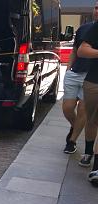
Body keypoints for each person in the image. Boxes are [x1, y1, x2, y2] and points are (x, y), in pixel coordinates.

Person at [63, 14, 97, 156]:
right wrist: (68, 68)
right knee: (67, 108)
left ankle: (72, 141)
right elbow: (76, 50)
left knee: (83, 110)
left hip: (90, 77)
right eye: (96, 6)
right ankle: (75, 126)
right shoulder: (84, 28)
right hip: (75, 73)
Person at [76, 2, 98, 185]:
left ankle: (97, 167)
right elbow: (82, 50)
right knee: (92, 121)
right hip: (94, 82)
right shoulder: (95, 28)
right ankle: (89, 151)